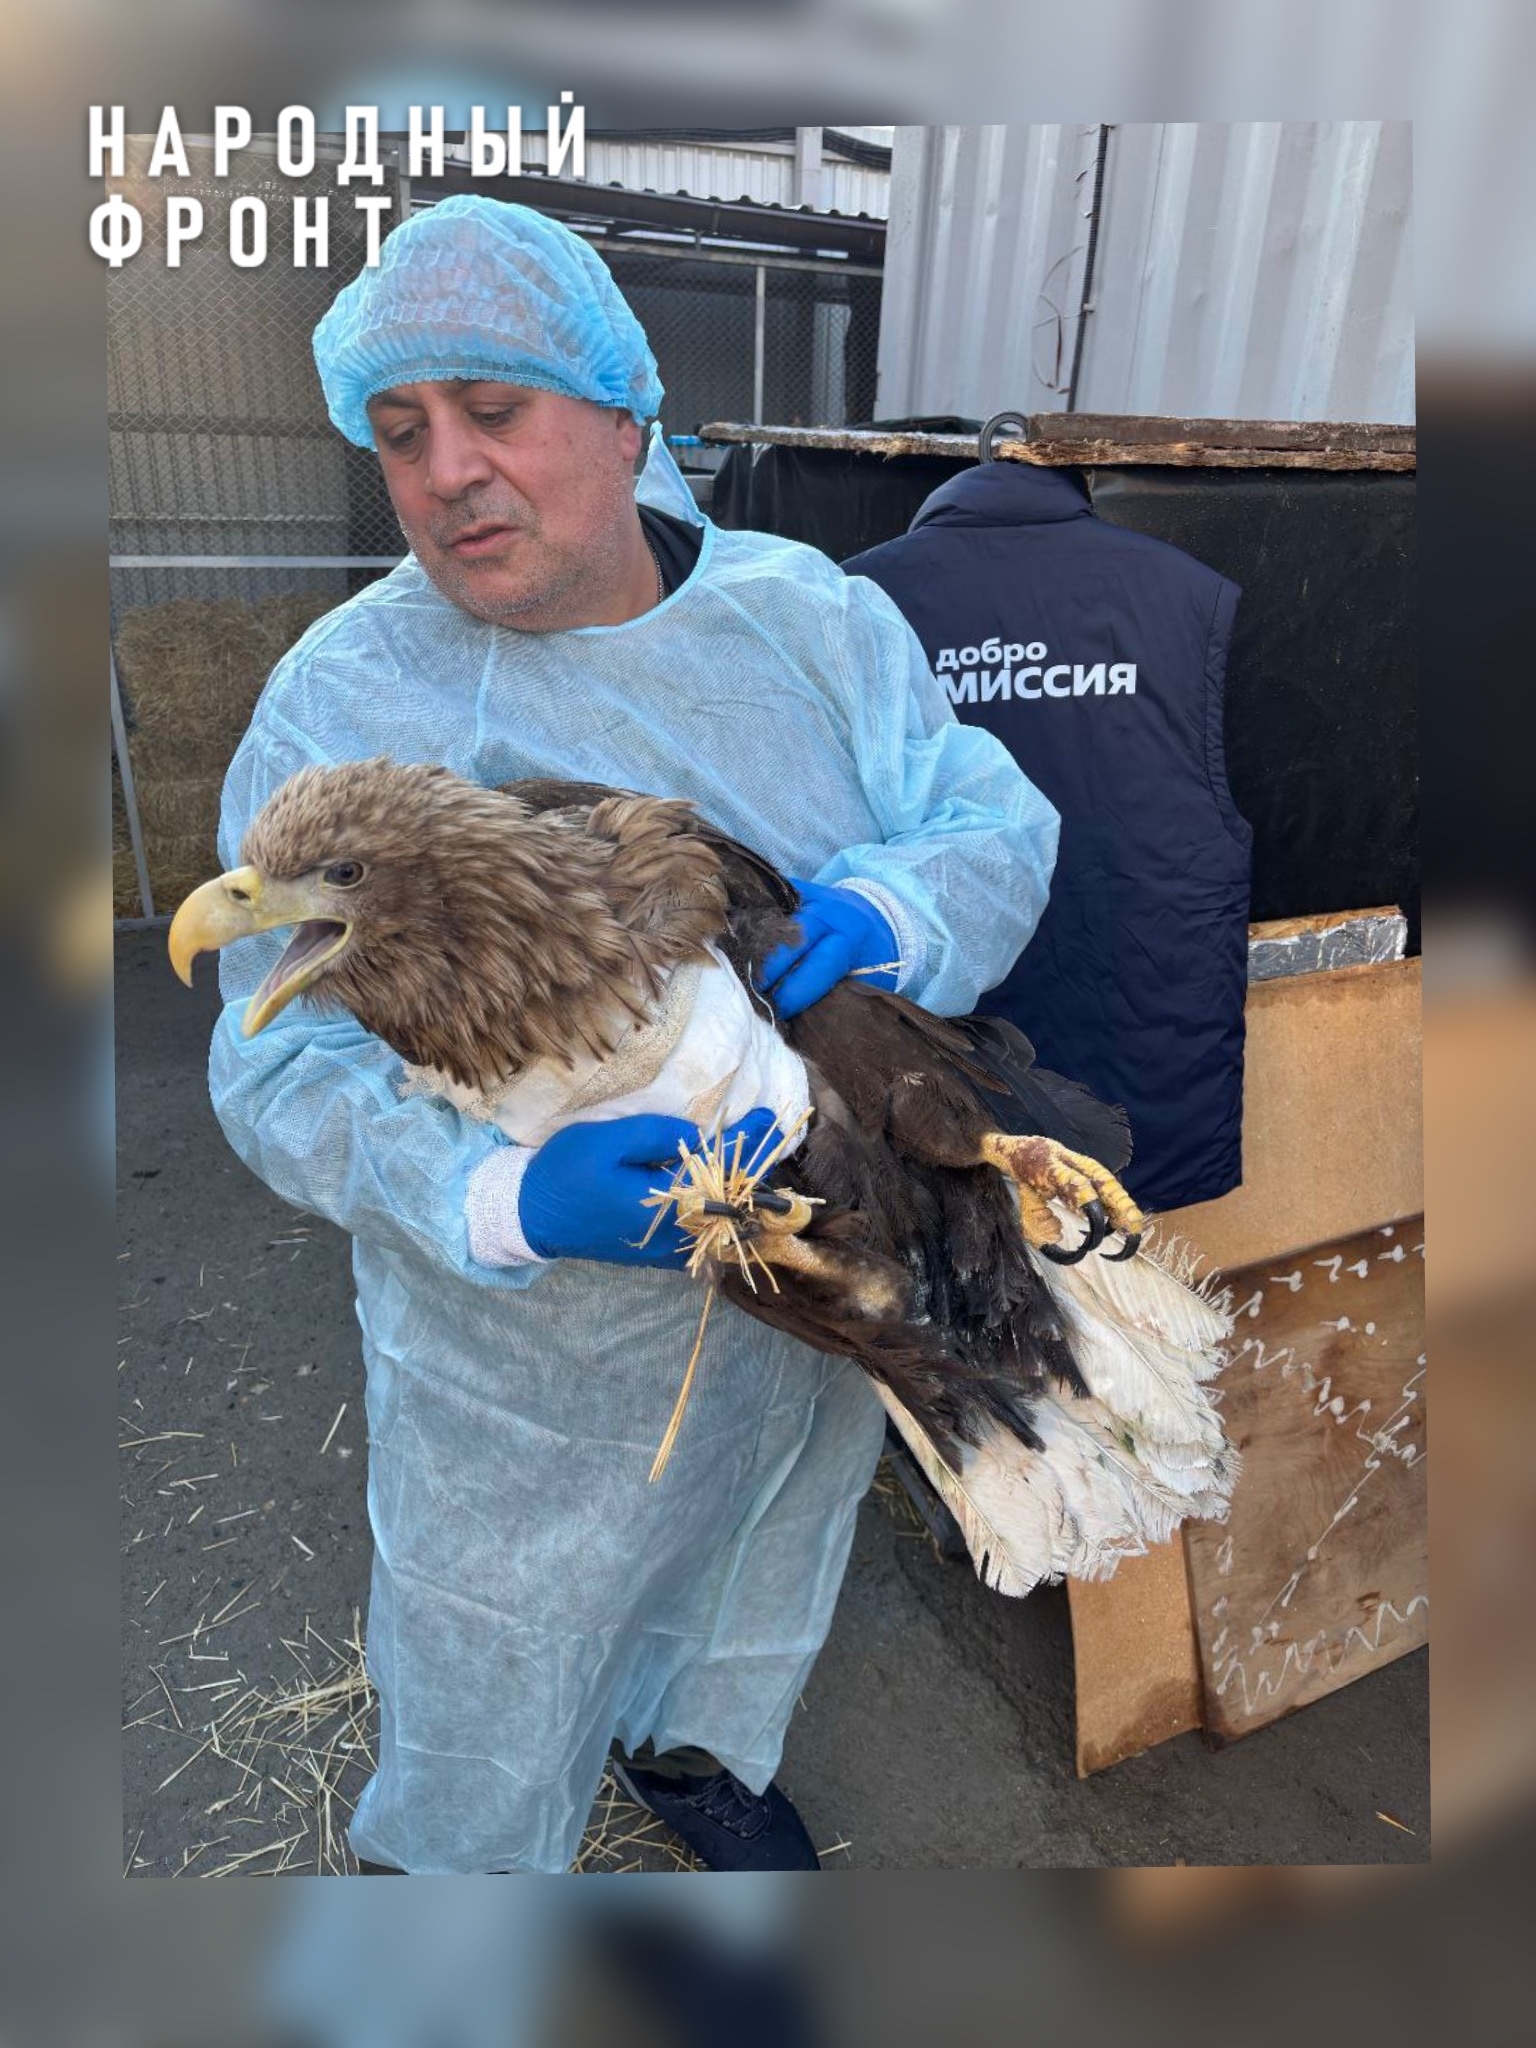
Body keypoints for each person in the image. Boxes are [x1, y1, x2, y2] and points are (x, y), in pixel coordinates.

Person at [208, 196, 1060, 1873]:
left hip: (809, 1259)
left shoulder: (807, 622)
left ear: (625, 416)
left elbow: (990, 819)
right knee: (497, 1619)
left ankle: (698, 1752)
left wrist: (888, 913)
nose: (448, 470)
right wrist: (498, 1198)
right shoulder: (344, 697)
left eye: (494, 410)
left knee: (763, 1536)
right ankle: (456, 1869)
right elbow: (274, 1058)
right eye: (401, 431)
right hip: (521, 1358)